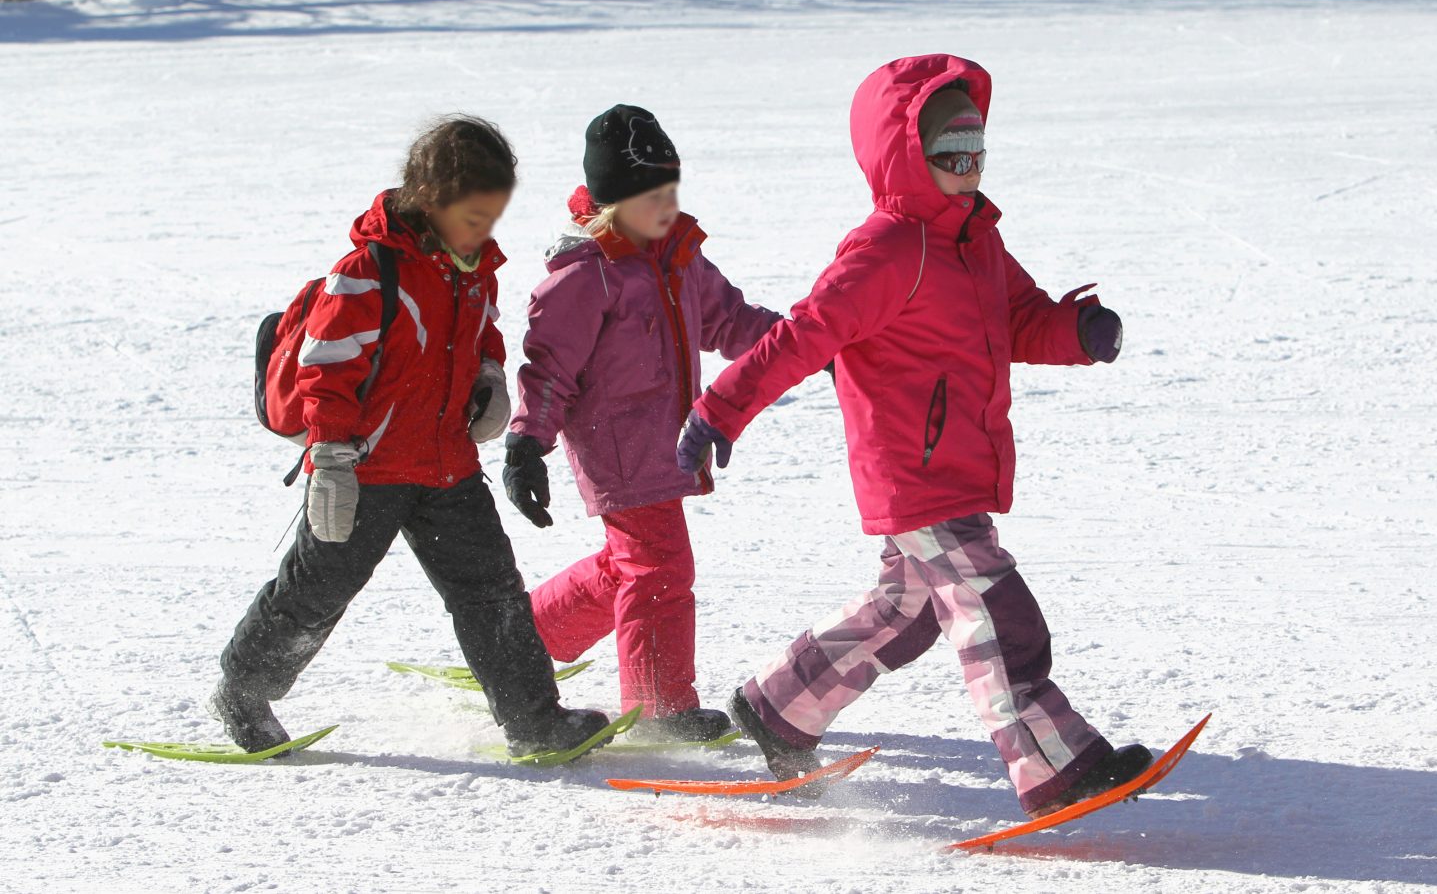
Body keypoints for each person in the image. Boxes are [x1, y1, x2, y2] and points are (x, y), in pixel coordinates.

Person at [675, 55, 1151, 817]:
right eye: (950, 154)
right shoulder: (888, 250)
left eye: (976, 151)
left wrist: (1076, 330)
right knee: (993, 608)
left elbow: (1020, 316)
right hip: (914, 467)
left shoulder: (976, 238)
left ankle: (778, 705)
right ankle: (1056, 764)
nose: (968, 169)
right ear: (907, 156)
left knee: (907, 609)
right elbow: (801, 336)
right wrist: (718, 410)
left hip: (955, 460)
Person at [211, 116, 610, 757]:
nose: (483, 229)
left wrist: (489, 376)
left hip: (448, 467)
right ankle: (242, 691)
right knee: (316, 590)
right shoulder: (367, 272)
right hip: (363, 471)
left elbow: (482, 333)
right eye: (472, 215)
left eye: (492, 215)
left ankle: (535, 721)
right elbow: (325, 369)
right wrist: (331, 458)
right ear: (431, 198)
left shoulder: (475, 268)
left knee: (491, 592)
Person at [501, 105, 781, 741]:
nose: (666, 207)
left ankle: (520, 639)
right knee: (659, 567)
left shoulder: (678, 258)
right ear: (613, 202)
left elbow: (732, 321)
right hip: (618, 449)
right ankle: (660, 707)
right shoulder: (586, 275)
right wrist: (526, 444)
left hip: (666, 442)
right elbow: (548, 369)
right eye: (651, 197)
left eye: (670, 192)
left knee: (628, 561)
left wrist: (805, 345)